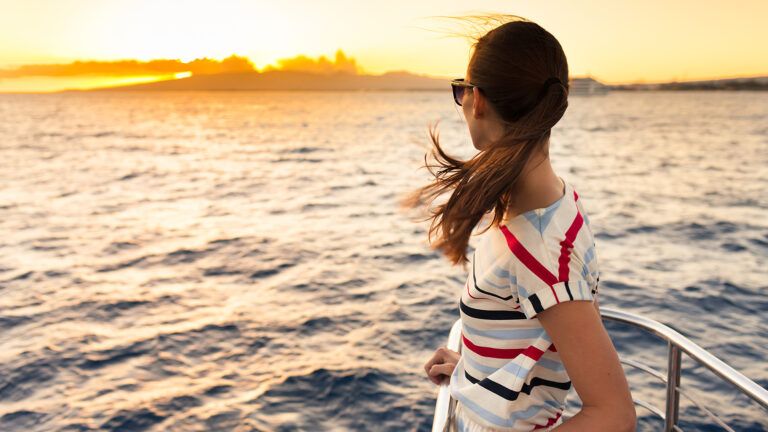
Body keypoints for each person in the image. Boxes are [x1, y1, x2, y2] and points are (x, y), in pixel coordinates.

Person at [401, 15, 636, 431]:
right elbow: (531, 334)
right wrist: (474, 372)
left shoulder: (538, 246)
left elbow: (614, 416)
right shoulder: (554, 204)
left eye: (461, 90)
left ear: (477, 101)